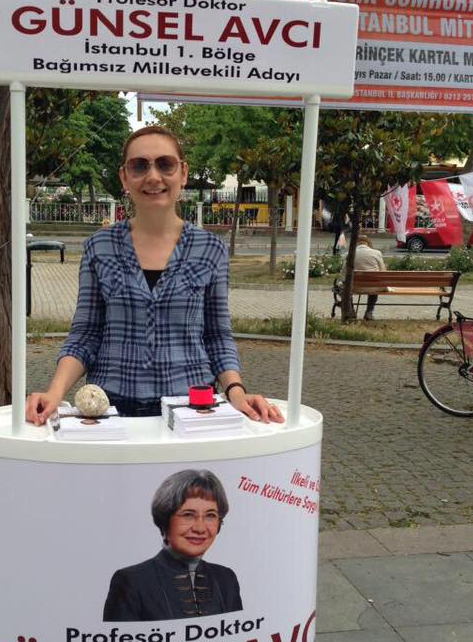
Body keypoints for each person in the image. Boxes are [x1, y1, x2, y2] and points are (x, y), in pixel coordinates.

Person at [25, 125, 285, 423]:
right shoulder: (99, 247)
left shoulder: (210, 249)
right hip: (111, 409)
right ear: (124, 177)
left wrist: (236, 391)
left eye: (165, 164)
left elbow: (216, 335)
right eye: (139, 166)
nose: (153, 176)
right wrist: (54, 392)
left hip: (192, 408)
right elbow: (86, 333)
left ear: (183, 173)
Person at [103, 469, 242, 621]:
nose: (200, 528)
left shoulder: (225, 579)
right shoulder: (132, 581)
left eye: (210, 515)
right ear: (165, 520)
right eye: (188, 515)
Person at [349, 234, 386, 320]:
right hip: (372, 287)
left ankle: (351, 311)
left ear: (356, 243)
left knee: (344, 288)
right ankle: (369, 312)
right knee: (374, 285)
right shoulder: (377, 253)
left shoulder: (349, 254)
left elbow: (343, 273)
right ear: (368, 243)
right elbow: (383, 272)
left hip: (354, 287)